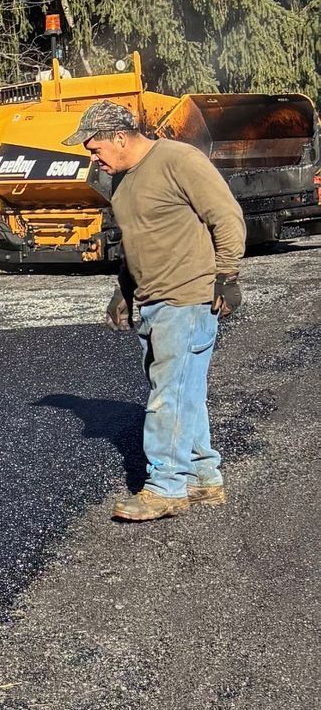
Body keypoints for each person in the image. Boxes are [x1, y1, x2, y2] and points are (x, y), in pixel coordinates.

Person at [71, 98, 244, 522]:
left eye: (95, 149)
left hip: (188, 299)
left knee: (167, 396)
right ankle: (203, 478)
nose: (93, 158)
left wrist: (228, 275)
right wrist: (124, 292)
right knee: (183, 392)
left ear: (120, 137)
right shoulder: (122, 181)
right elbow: (137, 242)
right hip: (152, 302)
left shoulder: (178, 160)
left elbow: (225, 215)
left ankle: (166, 487)